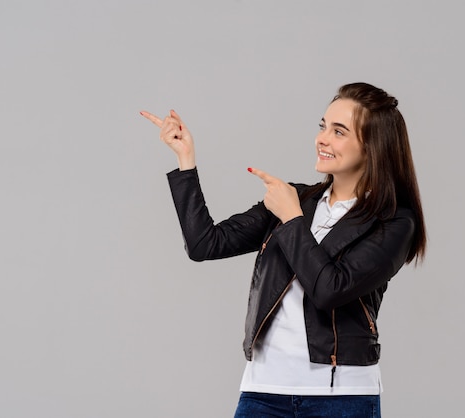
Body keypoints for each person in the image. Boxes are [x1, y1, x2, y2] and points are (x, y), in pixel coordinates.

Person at [140, 82, 426, 418]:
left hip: (342, 397)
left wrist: (291, 218)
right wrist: (185, 160)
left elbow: (329, 290)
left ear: (373, 146)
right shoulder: (296, 198)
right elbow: (205, 244)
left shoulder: (392, 222)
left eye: (339, 131)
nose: (322, 138)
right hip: (263, 393)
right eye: (323, 127)